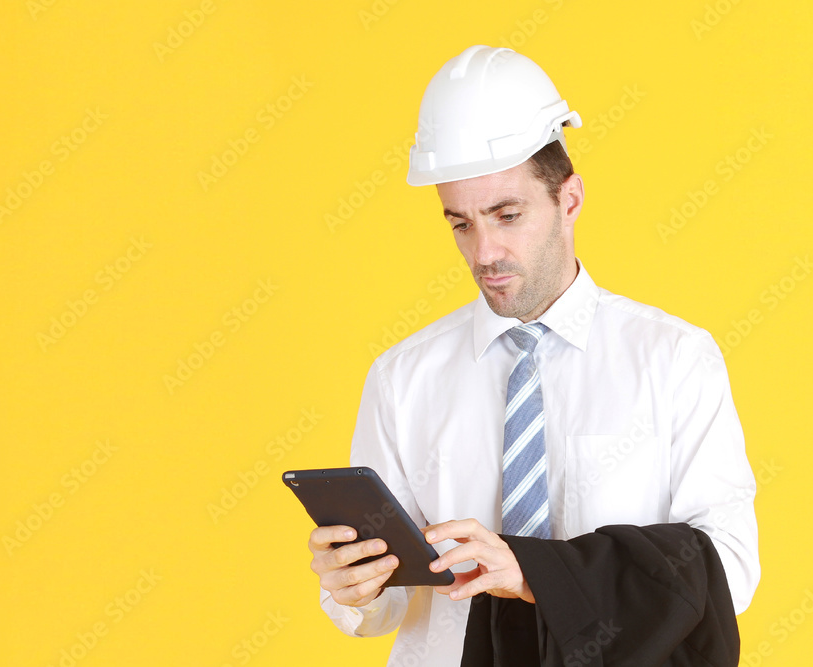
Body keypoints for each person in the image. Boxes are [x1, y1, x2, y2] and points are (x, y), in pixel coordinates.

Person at [306, 46, 759, 666]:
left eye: (507, 215)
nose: (484, 251)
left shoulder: (674, 359)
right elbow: (386, 608)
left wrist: (537, 574)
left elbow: (728, 568)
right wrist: (352, 589)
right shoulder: (402, 378)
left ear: (568, 200)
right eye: (460, 223)